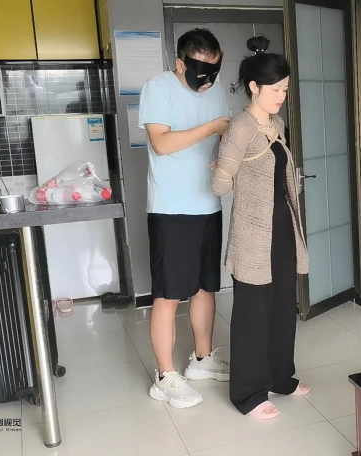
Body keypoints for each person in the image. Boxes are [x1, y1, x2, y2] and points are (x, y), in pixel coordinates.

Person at [211, 36, 311, 419]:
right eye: (275, 89)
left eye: (285, 89)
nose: (282, 96)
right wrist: (226, 166)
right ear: (254, 87)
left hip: (282, 226)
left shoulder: (276, 123)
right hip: (253, 233)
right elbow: (220, 186)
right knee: (253, 312)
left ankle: (280, 376)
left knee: (283, 305)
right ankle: (249, 393)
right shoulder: (240, 127)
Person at [138, 28, 231, 409]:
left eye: (214, 71)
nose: (207, 80)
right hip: (171, 208)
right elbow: (161, 143)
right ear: (180, 64)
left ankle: (202, 360)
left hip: (208, 204)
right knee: (169, 294)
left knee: (206, 287)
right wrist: (212, 128)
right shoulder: (158, 88)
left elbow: (222, 139)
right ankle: (165, 376)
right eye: (200, 72)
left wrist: (222, 152)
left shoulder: (218, 91)